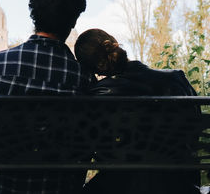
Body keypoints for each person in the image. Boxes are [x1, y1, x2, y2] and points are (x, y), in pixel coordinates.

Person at [0, 0, 92, 194]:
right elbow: (88, 146)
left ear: (33, 14)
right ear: (74, 20)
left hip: (7, 189)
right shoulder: (83, 78)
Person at [74, 28, 200, 194]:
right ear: (114, 43)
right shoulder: (177, 79)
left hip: (123, 184)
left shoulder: (99, 96)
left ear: (92, 69)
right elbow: (195, 130)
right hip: (179, 183)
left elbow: (98, 150)